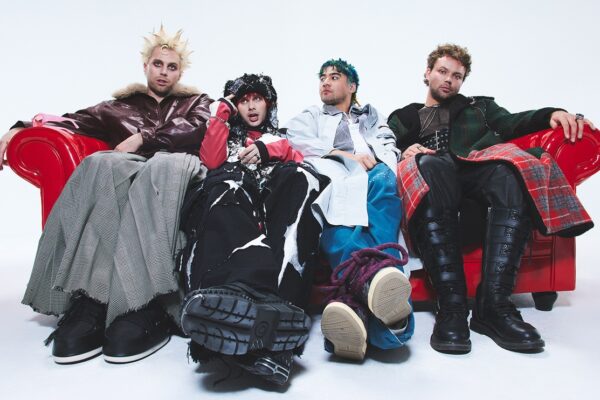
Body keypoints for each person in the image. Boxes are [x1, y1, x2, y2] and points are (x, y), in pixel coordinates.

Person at [0, 26, 212, 364]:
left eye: (172, 67)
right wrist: (20, 128)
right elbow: (67, 121)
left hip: (175, 169)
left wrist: (143, 138)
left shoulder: (195, 102)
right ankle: (92, 298)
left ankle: (145, 303)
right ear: (145, 65)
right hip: (131, 171)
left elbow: (200, 127)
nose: (164, 72)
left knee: (161, 167)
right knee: (101, 163)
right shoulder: (116, 107)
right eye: (158, 64)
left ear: (180, 73)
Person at [388, 43, 596, 354]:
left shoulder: (479, 108)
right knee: (429, 164)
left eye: (457, 76)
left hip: (474, 167)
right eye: (442, 71)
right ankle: (452, 308)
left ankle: (494, 306)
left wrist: (553, 114)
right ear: (427, 73)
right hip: (433, 174)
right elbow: (381, 145)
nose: (449, 80)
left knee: (509, 170)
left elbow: (515, 122)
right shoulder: (404, 116)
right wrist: (405, 151)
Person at [178, 74, 325, 385]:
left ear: (268, 103)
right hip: (234, 201)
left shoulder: (279, 138)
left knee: (303, 178)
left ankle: (280, 311)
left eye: (257, 98)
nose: (251, 106)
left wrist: (267, 149)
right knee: (226, 182)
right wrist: (222, 111)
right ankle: (238, 304)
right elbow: (211, 160)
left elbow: (296, 158)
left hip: (271, 204)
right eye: (243, 101)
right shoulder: (225, 135)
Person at [285, 59, 414, 361]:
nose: (325, 82)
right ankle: (391, 325)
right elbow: (296, 138)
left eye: (334, 77)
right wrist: (343, 156)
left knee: (384, 181)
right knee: (337, 215)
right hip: (335, 176)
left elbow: (388, 141)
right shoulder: (311, 116)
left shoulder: (371, 116)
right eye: (322, 77)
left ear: (352, 86)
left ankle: (353, 301)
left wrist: (377, 159)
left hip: (373, 175)